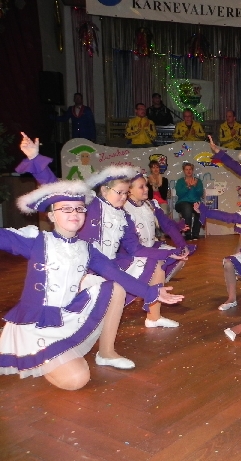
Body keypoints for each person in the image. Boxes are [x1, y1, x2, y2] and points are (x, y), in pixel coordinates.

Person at [0, 180, 183, 389]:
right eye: (66, 209)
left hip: (66, 316)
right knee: (76, 380)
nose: (74, 213)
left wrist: (151, 292)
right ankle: (39, 355)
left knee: (115, 288)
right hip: (36, 324)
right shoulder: (36, 241)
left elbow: (116, 274)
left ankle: (106, 353)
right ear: (51, 216)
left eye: (79, 208)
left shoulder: (86, 249)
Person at [16, 134, 187, 329]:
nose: (123, 197)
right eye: (119, 192)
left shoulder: (124, 216)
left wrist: (168, 253)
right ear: (105, 191)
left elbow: (135, 249)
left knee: (156, 266)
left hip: (108, 264)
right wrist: (35, 157)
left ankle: (153, 317)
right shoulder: (91, 204)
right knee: (99, 301)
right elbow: (55, 187)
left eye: (126, 193)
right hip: (85, 267)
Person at [124, 172, 194, 283]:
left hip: (151, 246)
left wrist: (182, 244)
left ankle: (156, 281)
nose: (147, 189)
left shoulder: (150, 205)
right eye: (141, 187)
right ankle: (146, 283)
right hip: (134, 252)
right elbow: (132, 247)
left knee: (181, 256)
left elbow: (167, 224)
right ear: (129, 190)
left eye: (146, 185)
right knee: (156, 264)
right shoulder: (124, 209)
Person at [174, 162, 204, 241]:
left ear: (192, 170)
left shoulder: (198, 181)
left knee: (201, 209)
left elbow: (200, 194)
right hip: (182, 203)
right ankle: (187, 233)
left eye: (190, 169)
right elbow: (179, 194)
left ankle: (195, 234)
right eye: (186, 169)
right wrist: (188, 186)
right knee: (187, 208)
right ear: (184, 171)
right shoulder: (180, 181)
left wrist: (195, 186)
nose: (188, 171)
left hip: (195, 202)